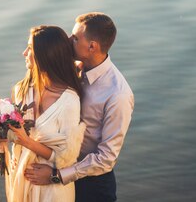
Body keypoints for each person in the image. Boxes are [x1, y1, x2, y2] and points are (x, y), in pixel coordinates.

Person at [24, 12, 134, 202]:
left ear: (92, 46)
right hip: (56, 165)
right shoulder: (72, 68)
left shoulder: (118, 94)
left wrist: (56, 175)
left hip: (92, 184)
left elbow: (106, 158)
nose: (68, 40)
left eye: (75, 38)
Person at [4, 25, 86, 202]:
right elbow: (15, 133)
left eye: (30, 48)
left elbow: (66, 158)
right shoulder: (22, 90)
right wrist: (1, 134)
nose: (24, 53)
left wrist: (27, 142)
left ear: (45, 55)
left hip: (51, 189)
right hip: (21, 179)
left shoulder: (69, 100)